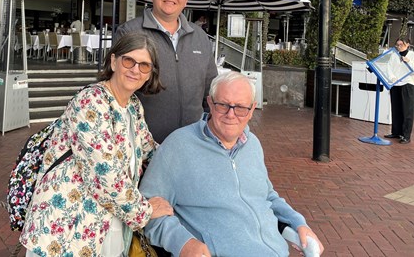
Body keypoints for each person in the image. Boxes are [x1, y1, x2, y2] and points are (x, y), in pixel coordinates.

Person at [139, 71, 325, 257]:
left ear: (252, 110)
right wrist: (183, 243)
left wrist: (298, 222)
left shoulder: (252, 145)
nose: (231, 114)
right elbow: (150, 211)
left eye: (241, 108)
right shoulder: (178, 146)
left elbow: (267, 196)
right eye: (223, 105)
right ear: (210, 103)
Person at [20, 32, 173, 256]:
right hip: (67, 229)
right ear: (113, 61)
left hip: (104, 225)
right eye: (128, 60)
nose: (135, 70)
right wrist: (146, 211)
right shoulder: (91, 102)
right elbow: (105, 177)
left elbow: (150, 151)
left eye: (144, 65)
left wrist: (187, 161)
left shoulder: (132, 106)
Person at [114, 0, 218, 142]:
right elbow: (114, 92)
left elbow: (210, 92)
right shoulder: (129, 33)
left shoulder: (200, 37)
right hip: (143, 147)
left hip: (193, 143)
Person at [385, 37, 414, 144]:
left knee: (407, 111)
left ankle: (406, 135)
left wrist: (409, 62)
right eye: (397, 45)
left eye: (401, 45)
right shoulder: (394, 55)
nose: (398, 47)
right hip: (396, 83)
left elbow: (413, 70)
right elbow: (389, 67)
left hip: (407, 84)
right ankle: (396, 132)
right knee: (396, 108)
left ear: (407, 45)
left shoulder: (412, 55)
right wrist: (392, 77)